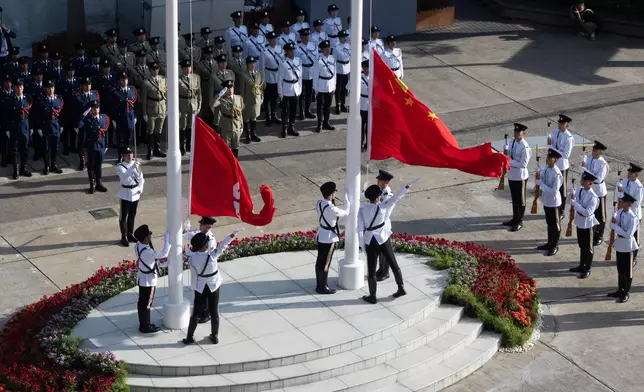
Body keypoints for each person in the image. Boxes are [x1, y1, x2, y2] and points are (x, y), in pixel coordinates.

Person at [358, 181, 414, 304]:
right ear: (378, 197)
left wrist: (362, 245)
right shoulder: (383, 206)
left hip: (371, 241)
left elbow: (359, 229)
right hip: (383, 238)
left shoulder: (361, 209)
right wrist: (406, 188)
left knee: (371, 270)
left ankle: (372, 296)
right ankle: (401, 288)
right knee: (393, 264)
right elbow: (395, 198)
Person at [182, 229, 240, 345]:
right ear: (204, 246)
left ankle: (189, 337)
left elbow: (194, 271)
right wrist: (231, 235)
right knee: (214, 312)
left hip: (201, 287)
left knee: (196, 313)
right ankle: (214, 336)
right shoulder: (213, 255)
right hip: (213, 286)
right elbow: (223, 245)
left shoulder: (192, 258)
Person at [133, 224, 170, 333]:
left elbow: (152, 261)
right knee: (147, 304)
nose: (150, 237)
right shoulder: (148, 251)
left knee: (142, 303)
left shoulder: (138, 246)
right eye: (148, 236)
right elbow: (164, 254)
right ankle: (146, 326)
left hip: (142, 278)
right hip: (148, 281)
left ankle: (143, 324)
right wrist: (167, 240)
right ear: (145, 238)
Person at [315, 182, 350, 294]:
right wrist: (347, 200)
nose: (335, 193)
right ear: (331, 194)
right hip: (329, 238)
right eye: (334, 192)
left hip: (321, 234)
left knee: (320, 261)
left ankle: (320, 284)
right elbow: (346, 212)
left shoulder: (319, 203)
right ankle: (323, 286)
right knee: (326, 263)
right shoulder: (332, 208)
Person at [183, 216, 218, 324]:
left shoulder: (210, 240)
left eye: (202, 225)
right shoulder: (201, 234)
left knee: (205, 294)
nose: (200, 226)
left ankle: (205, 314)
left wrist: (189, 253)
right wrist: (185, 229)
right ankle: (201, 311)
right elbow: (187, 236)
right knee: (199, 292)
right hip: (198, 269)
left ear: (208, 226)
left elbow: (204, 256)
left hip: (205, 272)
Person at [361, 169, 395, 280]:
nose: (377, 182)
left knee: (385, 252)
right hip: (378, 225)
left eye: (380, 180)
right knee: (380, 251)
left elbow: (386, 213)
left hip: (383, 226)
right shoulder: (379, 191)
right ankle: (380, 270)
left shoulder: (388, 195)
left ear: (386, 182)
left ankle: (385, 272)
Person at [569, 170, 600, 279]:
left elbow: (588, 212)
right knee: (582, 245)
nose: (582, 181)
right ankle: (581, 265)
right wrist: (571, 195)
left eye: (585, 180)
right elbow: (572, 199)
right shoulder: (580, 190)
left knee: (588, 247)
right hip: (580, 221)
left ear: (590, 183)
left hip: (588, 224)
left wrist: (574, 203)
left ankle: (587, 268)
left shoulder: (593, 197)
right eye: (582, 179)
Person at [609, 193, 638, 303]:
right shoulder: (620, 212)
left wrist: (616, 227)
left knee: (627, 271)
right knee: (620, 269)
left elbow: (629, 234)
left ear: (629, 204)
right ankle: (620, 290)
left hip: (628, 245)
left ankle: (626, 292)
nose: (621, 203)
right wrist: (614, 222)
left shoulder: (633, 218)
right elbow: (617, 224)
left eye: (623, 202)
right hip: (620, 244)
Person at [503, 123, 532, 232]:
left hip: (520, 177)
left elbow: (523, 164)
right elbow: (509, 155)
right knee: (514, 199)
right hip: (512, 175)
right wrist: (506, 152)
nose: (515, 133)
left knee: (521, 200)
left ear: (523, 134)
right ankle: (514, 218)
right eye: (515, 132)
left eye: (518, 132)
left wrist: (509, 160)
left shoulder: (525, 147)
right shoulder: (512, 142)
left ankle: (519, 221)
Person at [78, 100, 109, 193]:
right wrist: (83, 115)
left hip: (101, 146)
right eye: (94, 108)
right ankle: (92, 184)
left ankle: (99, 182)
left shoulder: (104, 118)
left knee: (98, 166)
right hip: (91, 146)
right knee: (91, 166)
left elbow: (105, 132)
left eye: (97, 108)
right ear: (91, 109)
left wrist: (106, 145)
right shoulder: (87, 120)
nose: (96, 110)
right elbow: (79, 125)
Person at [537, 148, 563, 256]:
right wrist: (539, 175)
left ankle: (554, 245)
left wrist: (541, 185)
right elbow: (542, 178)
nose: (547, 159)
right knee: (549, 223)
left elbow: (554, 191)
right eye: (547, 157)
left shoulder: (557, 174)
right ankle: (549, 242)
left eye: (549, 158)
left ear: (555, 160)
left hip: (553, 202)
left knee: (555, 224)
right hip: (547, 201)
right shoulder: (547, 169)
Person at [117, 147, 144, 246]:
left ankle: (130, 234)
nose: (130, 156)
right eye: (127, 154)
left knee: (132, 214)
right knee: (123, 216)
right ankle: (123, 236)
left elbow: (141, 178)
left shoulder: (135, 164)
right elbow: (124, 178)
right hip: (125, 193)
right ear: (123, 156)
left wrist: (140, 189)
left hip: (135, 192)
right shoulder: (120, 166)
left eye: (131, 153)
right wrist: (133, 167)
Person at [584, 140, 609, 246]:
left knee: (600, 215)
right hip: (590, 190)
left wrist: (589, 175)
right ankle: (591, 231)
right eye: (593, 149)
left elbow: (599, 179)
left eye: (595, 150)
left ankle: (599, 235)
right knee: (591, 212)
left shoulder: (603, 164)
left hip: (599, 191)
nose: (593, 151)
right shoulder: (589, 159)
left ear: (600, 152)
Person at [617, 163, 643, 265]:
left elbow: (637, 203)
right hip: (624, 211)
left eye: (631, 173)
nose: (629, 174)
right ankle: (624, 253)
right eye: (629, 172)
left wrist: (625, 198)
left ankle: (633, 257)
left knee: (634, 237)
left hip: (634, 215)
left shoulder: (638, 187)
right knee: (623, 232)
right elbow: (621, 192)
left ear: (636, 175)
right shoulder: (625, 181)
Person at [550, 114, 575, 219]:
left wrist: (554, 150)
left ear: (567, 125)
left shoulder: (569, 138)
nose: (560, 125)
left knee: (562, 189)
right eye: (559, 123)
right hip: (554, 164)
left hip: (562, 166)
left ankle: (561, 211)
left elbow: (566, 155)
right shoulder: (555, 132)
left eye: (562, 124)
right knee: (554, 186)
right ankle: (554, 207)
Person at [36, 80, 64, 175]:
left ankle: (54, 164)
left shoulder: (58, 99)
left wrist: (62, 125)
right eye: (49, 88)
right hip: (46, 127)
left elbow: (62, 114)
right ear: (45, 89)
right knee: (46, 148)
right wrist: (39, 128)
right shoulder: (42, 100)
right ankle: (47, 165)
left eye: (52, 88)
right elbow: (38, 115)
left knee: (55, 147)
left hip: (56, 127)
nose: (51, 90)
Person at [141, 62, 167, 160]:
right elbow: (144, 99)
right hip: (151, 108)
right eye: (153, 69)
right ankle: (150, 150)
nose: (155, 71)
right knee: (150, 130)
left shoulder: (163, 79)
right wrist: (144, 113)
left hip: (162, 107)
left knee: (159, 129)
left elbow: (166, 94)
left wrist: (167, 108)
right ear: (150, 70)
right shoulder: (146, 82)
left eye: (157, 69)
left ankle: (158, 149)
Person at [7, 78, 32, 180]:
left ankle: (23, 168)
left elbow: (32, 114)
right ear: (14, 88)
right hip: (14, 128)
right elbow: (6, 115)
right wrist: (7, 129)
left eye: (21, 86)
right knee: (15, 150)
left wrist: (32, 128)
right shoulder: (10, 99)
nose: (19, 88)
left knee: (25, 149)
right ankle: (16, 170)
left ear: (23, 87)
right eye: (17, 87)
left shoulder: (28, 98)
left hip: (25, 128)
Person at [74, 77, 100, 171]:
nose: (88, 87)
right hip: (83, 122)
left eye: (89, 85)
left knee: (92, 142)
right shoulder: (78, 96)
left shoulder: (95, 94)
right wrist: (76, 124)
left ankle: (90, 159)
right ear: (82, 86)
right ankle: (82, 160)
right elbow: (76, 111)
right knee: (82, 142)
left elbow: (98, 108)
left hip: (93, 121)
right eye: (85, 85)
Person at [212, 79, 243, 157]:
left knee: (236, 146)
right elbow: (212, 104)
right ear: (225, 89)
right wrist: (219, 95)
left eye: (231, 87)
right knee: (227, 148)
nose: (230, 89)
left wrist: (241, 125)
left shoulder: (239, 98)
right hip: (226, 126)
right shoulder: (222, 100)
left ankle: (235, 162)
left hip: (236, 125)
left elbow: (240, 113)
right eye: (228, 88)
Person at [278, 42, 302, 138]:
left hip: (296, 89)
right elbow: (279, 80)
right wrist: (280, 93)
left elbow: (300, 76)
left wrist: (299, 89)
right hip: (286, 89)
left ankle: (291, 127)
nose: (292, 52)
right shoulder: (283, 64)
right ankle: (284, 128)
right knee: (285, 111)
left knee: (293, 110)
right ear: (286, 52)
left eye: (292, 50)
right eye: (289, 50)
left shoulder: (298, 61)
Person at [111, 72, 137, 160]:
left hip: (130, 117)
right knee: (120, 140)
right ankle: (120, 156)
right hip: (120, 118)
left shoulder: (132, 90)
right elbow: (113, 107)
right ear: (119, 81)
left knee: (128, 139)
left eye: (126, 79)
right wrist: (113, 119)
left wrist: (135, 116)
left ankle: (128, 155)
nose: (124, 81)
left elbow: (135, 104)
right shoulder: (115, 92)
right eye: (122, 80)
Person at [178, 59, 201, 155]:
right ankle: (182, 146)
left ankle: (189, 144)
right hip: (183, 104)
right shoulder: (178, 79)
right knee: (182, 126)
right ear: (182, 69)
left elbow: (199, 93)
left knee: (190, 126)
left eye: (189, 67)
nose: (188, 69)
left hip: (193, 103)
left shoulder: (196, 77)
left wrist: (199, 105)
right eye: (185, 67)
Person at [312, 40, 335, 133]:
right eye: (326, 48)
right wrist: (316, 89)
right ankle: (319, 124)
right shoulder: (318, 61)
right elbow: (315, 76)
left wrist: (334, 84)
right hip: (321, 85)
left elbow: (335, 73)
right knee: (320, 107)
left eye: (329, 48)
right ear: (322, 50)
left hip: (330, 84)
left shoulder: (332, 58)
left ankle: (326, 122)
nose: (328, 50)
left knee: (328, 106)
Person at [260, 31, 283, 127]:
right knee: (267, 99)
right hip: (269, 76)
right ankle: (268, 117)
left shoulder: (280, 49)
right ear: (268, 40)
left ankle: (274, 115)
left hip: (278, 76)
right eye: (271, 39)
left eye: (274, 39)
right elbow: (261, 67)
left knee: (275, 97)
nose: (273, 41)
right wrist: (263, 80)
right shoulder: (264, 51)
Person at [57, 64, 80, 156]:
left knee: (74, 130)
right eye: (69, 71)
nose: (71, 72)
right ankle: (66, 148)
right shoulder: (61, 82)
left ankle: (73, 146)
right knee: (66, 131)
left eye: (72, 71)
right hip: (65, 110)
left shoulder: (77, 81)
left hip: (75, 110)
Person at [208, 54, 235, 131]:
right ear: (218, 63)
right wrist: (211, 105)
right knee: (218, 121)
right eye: (221, 62)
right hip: (218, 100)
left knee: (229, 120)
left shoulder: (231, 73)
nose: (223, 64)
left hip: (228, 100)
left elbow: (233, 88)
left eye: (225, 62)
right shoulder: (213, 75)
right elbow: (211, 91)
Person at [240, 55, 263, 144]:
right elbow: (242, 89)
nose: (252, 65)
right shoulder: (244, 75)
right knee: (246, 117)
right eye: (250, 64)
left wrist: (261, 96)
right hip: (247, 99)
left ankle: (254, 134)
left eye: (253, 63)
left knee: (254, 117)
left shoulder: (258, 73)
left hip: (256, 98)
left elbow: (260, 87)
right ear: (247, 65)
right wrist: (242, 101)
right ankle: (248, 135)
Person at [297, 28, 317, 120]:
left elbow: (316, 59)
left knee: (309, 93)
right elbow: (296, 62)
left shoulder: (314, 46)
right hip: (302, 72)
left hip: (312, 71)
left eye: (307, 36)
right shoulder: (297, 48)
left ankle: (307, 110)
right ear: (301, 37)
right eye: (304, 36)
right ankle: (302, 112)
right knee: (302, 94)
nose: (306, 38)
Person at [334, 30, 350, 114]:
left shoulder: (348, 46)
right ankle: (338, 104)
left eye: (344, 37)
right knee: (338, 88)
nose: (343, 38)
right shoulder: (336, 47)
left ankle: (343, 104)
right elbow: (334, 59)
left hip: (347, 68)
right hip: (339, 68)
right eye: (342, 37)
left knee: (345, 88)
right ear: (339, 38)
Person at [0, 74, 12, 168]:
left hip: (12, 123)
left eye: (9, 82)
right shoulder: (1, 94)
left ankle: (10, 158)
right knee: (3, 143)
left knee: (12, 142)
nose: (8, 84)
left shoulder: (14, 93)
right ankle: (3, 159)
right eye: (6, 82)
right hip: (3, 123)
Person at [359, 60, 369, 150]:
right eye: (367, 67)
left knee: (369, 125)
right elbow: (348, 86)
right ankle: (361, 141)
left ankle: (368, 142)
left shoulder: (374, 77)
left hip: (371, 104)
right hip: (362, 103)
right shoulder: (359, 77)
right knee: (362, 125)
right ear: (363, 68)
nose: (368, 69)